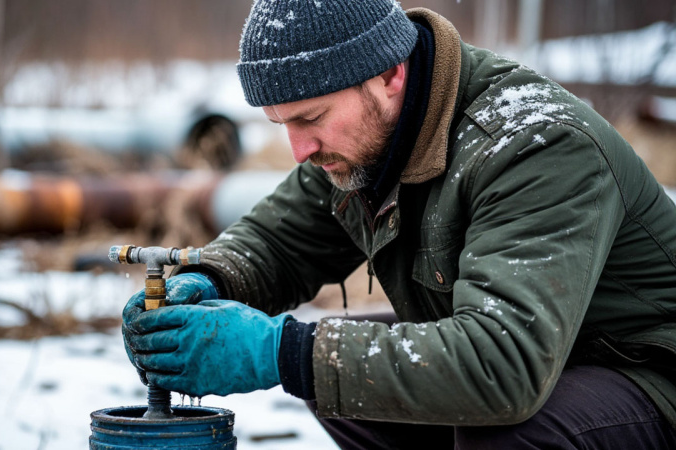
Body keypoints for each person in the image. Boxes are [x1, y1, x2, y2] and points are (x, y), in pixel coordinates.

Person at [122, 1, 676, 448]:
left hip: (646, 376)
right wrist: (210, 281)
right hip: (555, 362)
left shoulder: (534, 145)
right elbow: (279, 239)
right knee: (345, 380)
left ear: (390, 72)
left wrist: (281, 352)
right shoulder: (365, 141)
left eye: (311, 118)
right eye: (281, 124)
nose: (299, 150)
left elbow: (503, 364)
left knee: (509, 428)